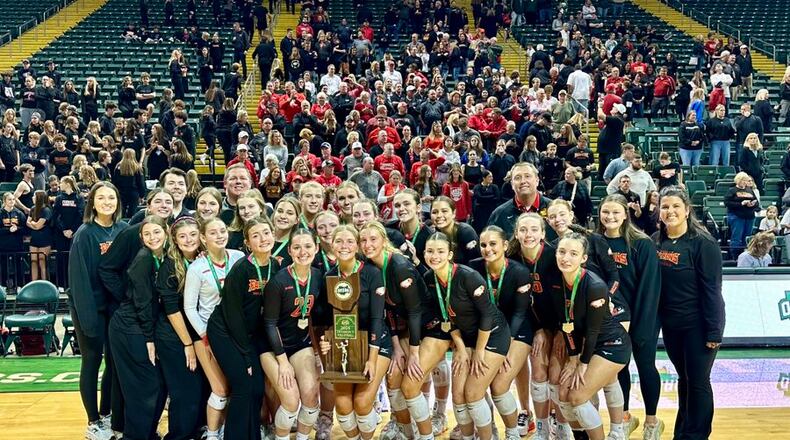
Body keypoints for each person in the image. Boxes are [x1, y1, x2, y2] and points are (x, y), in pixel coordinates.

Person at [405, 231, 510, 440]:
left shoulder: (468, 276)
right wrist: (461, 348)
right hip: (466, 338)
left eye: (440, 251)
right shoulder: (429, 279)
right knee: (459, 397)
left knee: (472, 394)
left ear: (450, 254)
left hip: (493, 335)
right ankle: (468, 436)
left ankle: (490, 436)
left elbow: (488, 315)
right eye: (430, 251)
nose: (435, 256)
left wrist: (479, 351)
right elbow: (446, 318)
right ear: (424, 253)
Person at [655, 186, 724, 440]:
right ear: (658, 211)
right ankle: (683, 432)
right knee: (684, 379)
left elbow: (713, 291)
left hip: (699, 326)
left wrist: (714, 330)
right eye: (665, 206)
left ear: (687, 210)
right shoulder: (655, 241)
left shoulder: (702, 243)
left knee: (697, 381)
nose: (670, 211)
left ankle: (697, 434)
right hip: (672, 326)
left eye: (675, 206)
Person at [597, 195, 664, 439]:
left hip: (644, 315)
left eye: (616, 212)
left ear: (626, 214)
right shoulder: (596, 242)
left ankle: (652, 421)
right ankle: (624, 417)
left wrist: (642, 325)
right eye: (606, 212)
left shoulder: (641, 243)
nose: (610, 217)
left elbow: (650, 286)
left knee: (646, 367)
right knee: (619, 369)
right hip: (613, 319)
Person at [208, 217, 279, 438]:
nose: (262, 239)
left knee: (257, 389)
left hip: (249, 334)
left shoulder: (276, 265)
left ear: (273, 235)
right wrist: (247, 355)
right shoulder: (241, 270)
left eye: (266, 233)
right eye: (255, 235)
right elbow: (233, 316)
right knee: (243, 388)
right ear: (247, 242)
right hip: (226, 331)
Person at [318, 225, 390, 440]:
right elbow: (326, 319)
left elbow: (378, 317)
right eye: (339, 241)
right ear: (332, 245)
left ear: (357, 246)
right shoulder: (329, 276)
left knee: (361, 402)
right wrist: (326, 340)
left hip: (375, 345)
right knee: (342, 404)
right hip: (344, 347)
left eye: (350, 241)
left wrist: (371, 358)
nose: (344, 246)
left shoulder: (372, 273)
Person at [68, 182, 128, 439]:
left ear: (118, 202)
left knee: (114, 364)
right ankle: (93, 421)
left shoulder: (124, 230)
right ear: (92, 202)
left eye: (111, 198)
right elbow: (79, 280)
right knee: (91, 362)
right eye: (101, 198)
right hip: (88, 306)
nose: (107, 202)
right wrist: (88, 320)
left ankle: (107, 414)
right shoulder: (85, 233)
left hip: (115, 307)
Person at [358, 221, 428, 440]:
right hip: (404, 325)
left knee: (411, 378)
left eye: (373, 239)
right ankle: (407, 431)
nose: (368, 245)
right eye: (363, 240)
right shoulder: (370, 267)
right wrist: (396, 346)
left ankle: (425, 433)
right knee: (394, 375)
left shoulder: (399, 265)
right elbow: (387, 310)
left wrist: (414, 353)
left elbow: (416, 311)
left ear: (384, 240)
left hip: (427, 324)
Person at [469, 226, 535, 440]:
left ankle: (513, 432)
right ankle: (490, 429)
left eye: (493, 244)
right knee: (477, 382)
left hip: (517, 330)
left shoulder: (519, 272)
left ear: (505, 245)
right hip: (487, 329)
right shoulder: (473, 269)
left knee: (499, 385)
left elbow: (519, 312)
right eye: (483, 245)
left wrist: (506, 345)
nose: (488, 249)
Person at [184, 217, 245, 439]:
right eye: (213, 232)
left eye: (222, 230)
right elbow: (190, 308)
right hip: (207, 335)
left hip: (236, 334)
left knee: (234, 388)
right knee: (219, 389)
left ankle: (226, 431)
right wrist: (205, 334)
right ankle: (211, 434)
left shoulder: (239, 258)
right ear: (203, 238)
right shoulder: (197, 267)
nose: (220, 235)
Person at [108, 215, 168, 440]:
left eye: (156, 232)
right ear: (141, 238)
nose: (152, 237)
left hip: (139, 325)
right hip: (130, 327)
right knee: (145, 387)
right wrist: (149, 338)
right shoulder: (143, 258)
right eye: (147, 234)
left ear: (166, 232)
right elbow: (143, 302)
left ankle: (147, 434)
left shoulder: (160, 256)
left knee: (155, 385)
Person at [261, 228, 324, 440]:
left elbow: (320, 317)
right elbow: (269, 324)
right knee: (290, 399)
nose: (302, 251)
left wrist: (321, 344)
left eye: (308, 246)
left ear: (316, 248)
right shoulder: (278, 282)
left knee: (311, 395)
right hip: (272, 346)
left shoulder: (318, 277)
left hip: (300, 343)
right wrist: (283, 362)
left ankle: (303, 437)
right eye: (296, 247)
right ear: (289, 250)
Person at [155, 217, 204, 439]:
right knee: (185, 392)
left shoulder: (204, 260)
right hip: (175, 337)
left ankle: (195, 432)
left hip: (198, 335)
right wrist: (187, 344)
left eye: (193, 235)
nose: (188, 240)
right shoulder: (169, 266)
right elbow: (171, 310)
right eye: (182, 236)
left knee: (200, 390)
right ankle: (178, 436)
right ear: (174, 239)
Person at [487, 162, 552, 237]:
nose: (523, 181)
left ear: (537, 180)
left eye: (527, 176)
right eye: (517, 178)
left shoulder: (554, 210)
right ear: (512, 184)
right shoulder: (499, 215)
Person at [431, 196, 480, 265]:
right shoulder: (434, 236)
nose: (439, 215)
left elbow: (476, 263)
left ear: (454, 213)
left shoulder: (466, 232)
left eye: (444, 211)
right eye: (434, 212)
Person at [725, 172, 760, 259]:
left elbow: (757, 202)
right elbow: (728, 203)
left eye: (746, 180)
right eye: (744, 180)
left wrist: (752, 204)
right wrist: (741, 203)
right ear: (739, 180)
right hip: (737, 216)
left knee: (747, 237)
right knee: (737, 237)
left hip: (749, 216)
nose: (745, 182)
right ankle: (735, 257)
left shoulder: (749, 190)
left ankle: (747, 255)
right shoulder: (732, 190)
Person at [26, 190, 53, 280]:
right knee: (33, 261)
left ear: (39, 198)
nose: (32, 197)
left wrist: (33, 223)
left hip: (44, 239)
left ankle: (44, 282)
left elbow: (38, 226)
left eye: (34, 196)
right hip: (34, 239)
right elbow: (27, 222)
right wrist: (34, 224)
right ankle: (34, 282)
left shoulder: (46, 210)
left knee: (42, 261)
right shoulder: (33, 209)